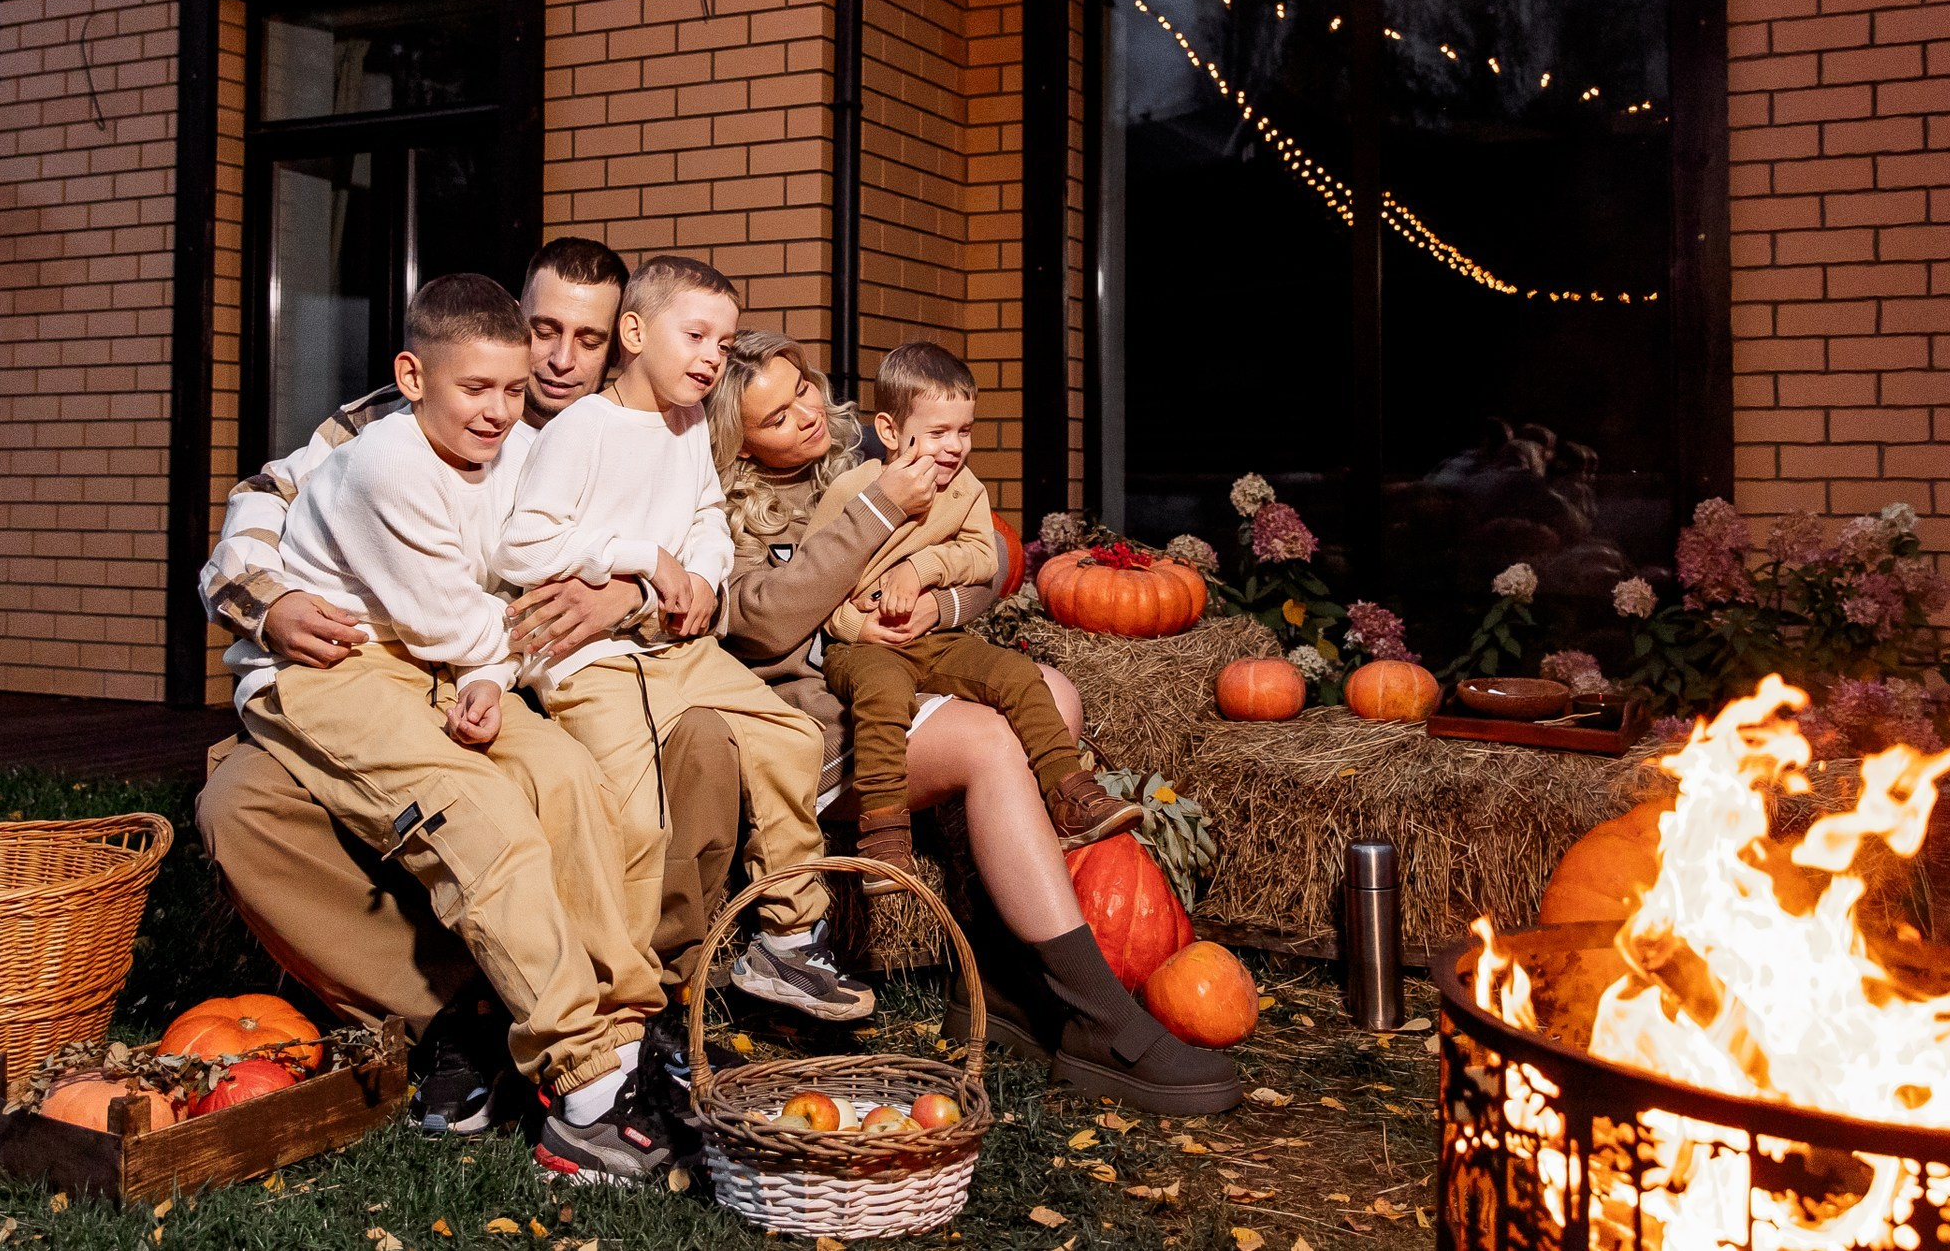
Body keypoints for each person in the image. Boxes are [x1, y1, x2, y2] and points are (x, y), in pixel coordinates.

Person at [196, 237, 744, 1134]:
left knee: (565, 785)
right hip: (371, 661)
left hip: (506, 669)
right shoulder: (393, 431)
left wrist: (631, 590)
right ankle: (469, 1018)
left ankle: (628, 1020)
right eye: (546, 332)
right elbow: (268, 493)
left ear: (625, 344)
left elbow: (699, 572)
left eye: (588, 340)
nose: (562, 359)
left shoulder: (614, 434)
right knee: (276, 808)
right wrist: (269, 600)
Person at [709, 332, 1243, 1114]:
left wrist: (937, 598)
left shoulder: (874, 440)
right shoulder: (728, 509)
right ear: (738, 437)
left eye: (803, 389)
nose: (806, 414)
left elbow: (989, 555)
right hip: (823, 720)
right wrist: (881, 517)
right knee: (994, 743)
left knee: (1053, 698)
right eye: (776, 416)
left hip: (915, 661)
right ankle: (1099, 1018)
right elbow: (765, 627)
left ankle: (1002, 982)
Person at [495, 256, 871, 1024]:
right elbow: (521, 548)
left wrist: (700, 572)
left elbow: (704, 516)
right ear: (634, 333)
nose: (710, 356)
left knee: (789, 737)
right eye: (695, 334)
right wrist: (641, 559)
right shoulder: (580, 430)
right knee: (637, 820)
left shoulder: (690, 420)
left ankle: (790, 934)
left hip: (676, 650)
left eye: (723, 343)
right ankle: (627, 1001)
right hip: (591, 665)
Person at [810, 341, 1139, 889]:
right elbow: (819, 585)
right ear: (890, 432)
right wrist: (855, 626)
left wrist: (920, 571)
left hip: (934, 638)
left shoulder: (966, 490)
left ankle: (1070, 792)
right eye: (938, 433)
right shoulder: (852, 490)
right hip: (862, 644)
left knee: (1016, 674)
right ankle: (885, 836)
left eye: (964, 430)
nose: (954, 447)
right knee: (883, 697)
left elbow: (984, 555)